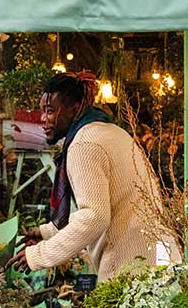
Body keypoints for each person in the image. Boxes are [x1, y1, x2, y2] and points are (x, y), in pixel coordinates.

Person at [11, 73, 164, 282]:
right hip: (154, 257)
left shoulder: (84, 144)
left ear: (75, 109)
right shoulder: (108, 131)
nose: (43, 119)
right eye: (42, 111)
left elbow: (94, 216)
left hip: (133, 266)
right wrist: (47, 233)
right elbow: (99, 205)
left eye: (50, 111)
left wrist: (40, 255)